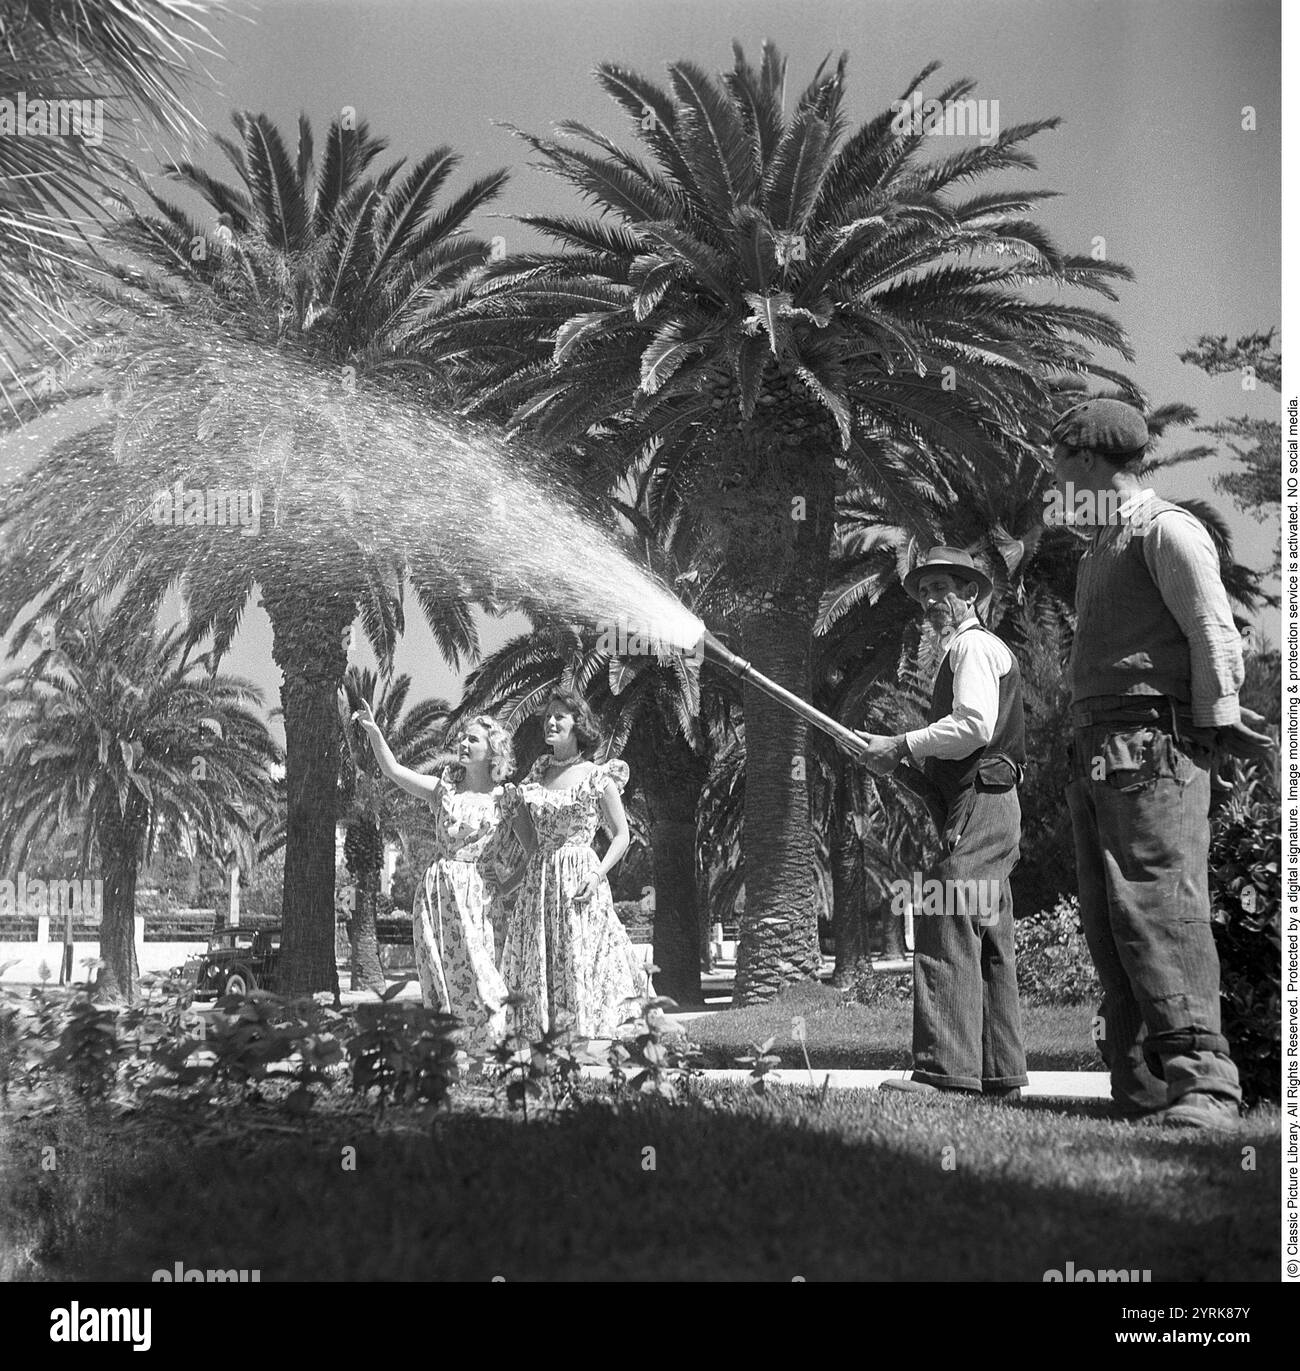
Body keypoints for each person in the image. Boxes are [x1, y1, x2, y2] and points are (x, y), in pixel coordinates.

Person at [1049, 398, 1272, 1130]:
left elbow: (1214, 632)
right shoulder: (1100, 545)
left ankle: (1206, 1086)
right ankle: (1142, 1086)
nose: (1054, 477)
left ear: (1086, 460)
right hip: (1099, 751)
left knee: (1159, 906)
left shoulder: (1165, 530)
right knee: (1111, 917)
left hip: (1153, 746)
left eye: (1059, 461)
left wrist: (1216, 723)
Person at [856, 547, 1029, 1101]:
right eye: (924, 592)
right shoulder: (966, 648)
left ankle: (943, 1072)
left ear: (971, 594)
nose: (931, 601)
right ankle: (999, 1075)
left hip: (983, 799)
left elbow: (973, 727)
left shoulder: (973, 646)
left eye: (942, 590)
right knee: (987, 928)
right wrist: (902, 758)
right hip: (988, 801)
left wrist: (903, 742)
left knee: (947, 910)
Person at [351, 697, 517, 1053]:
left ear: (493, 751)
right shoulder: (443, 791)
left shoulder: (506, 798)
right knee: (442, 969)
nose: (463, 743)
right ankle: (452, 1043)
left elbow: (532, 847)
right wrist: (375, 733)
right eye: (461, 738)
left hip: (482, 896)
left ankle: (496, 1042)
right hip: (438, 893)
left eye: (472, 739)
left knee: (485, 971)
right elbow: (395, 770)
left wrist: (509, 884)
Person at [500, 690, 649, 1040]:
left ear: (577, 725)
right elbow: (531, 840)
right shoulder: (536, 774)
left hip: (581, 876)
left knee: (582, 954)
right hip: (541, 880)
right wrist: (509, 807)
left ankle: (585, 1041)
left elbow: (621, 835)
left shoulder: (598, 776)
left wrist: (597, 876)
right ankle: (545, 1039)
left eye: (560, 717)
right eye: (548, 716)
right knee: (541, 955)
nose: (550, 722)